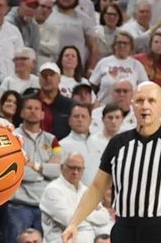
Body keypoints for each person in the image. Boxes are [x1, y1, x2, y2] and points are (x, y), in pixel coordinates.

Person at [62, 82, 161, 243]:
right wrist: (74, 223)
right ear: (132, 105)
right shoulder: (118, 143)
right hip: (124, 228)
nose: (145, 106)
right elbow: (97, 188)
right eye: (140, 100)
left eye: (152, 100)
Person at [8, 95, 62, 243]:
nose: (33, 111)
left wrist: (35, 165)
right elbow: (14, 171)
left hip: (44, 206)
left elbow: (58, 170)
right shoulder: (12, 137)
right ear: (21, 113)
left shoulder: (52, 140)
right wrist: (43, 173)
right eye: (29, 108)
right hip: (18, 205)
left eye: (37, 108)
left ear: (43, 114)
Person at [41, 153, 110, 243]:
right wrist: (89, 210)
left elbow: (104, 217)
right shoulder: (52, 190)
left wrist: (78, 212)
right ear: (62, 167)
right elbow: (69, 220)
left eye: (79, 169)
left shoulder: (87, 190)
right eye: (72, 167)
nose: (75, 172)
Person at [59, 104, 108, 187]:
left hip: (101, 194)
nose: (80, 119)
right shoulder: (62, 145)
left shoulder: (102, 143)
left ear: (91, 120)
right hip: (74, 195)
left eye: (83, 116)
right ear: (69, 120)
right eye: (76, 116)